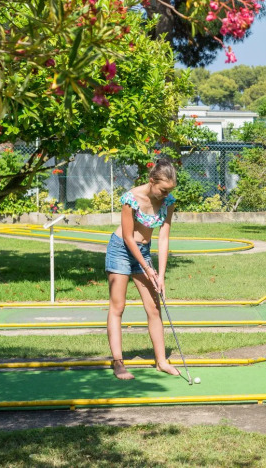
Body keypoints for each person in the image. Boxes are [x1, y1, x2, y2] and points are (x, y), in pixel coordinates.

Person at [105, 159, 181, 380]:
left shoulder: (168, 202)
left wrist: (161, 275)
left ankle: (161, 362)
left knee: (154, 307)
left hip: (144, 251)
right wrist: (147, 269)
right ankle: (118, 362)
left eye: (169, 191)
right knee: (118, 306)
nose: (166, 194)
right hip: (121, 249)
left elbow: (164, 238)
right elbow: (128, 238)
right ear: (152, 181)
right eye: (163, 190)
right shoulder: (131, 199)